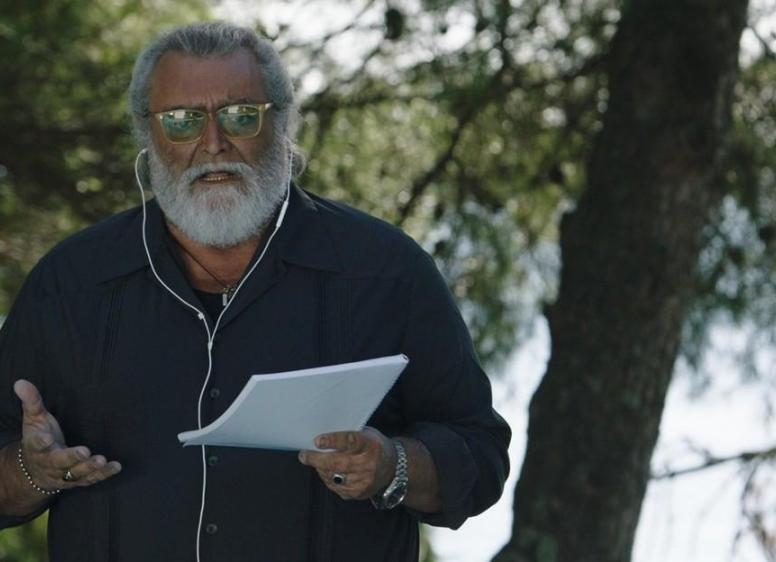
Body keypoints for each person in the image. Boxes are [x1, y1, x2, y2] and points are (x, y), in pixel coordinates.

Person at [0, 21, 510, 562]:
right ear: (146, 135)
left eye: (241, 115)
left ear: (283, 123)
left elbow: (479, 456)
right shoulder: (70, 284)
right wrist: (33, 470)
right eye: (181, 121)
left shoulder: (387, 273)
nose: (213, 143)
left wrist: (392, 467)